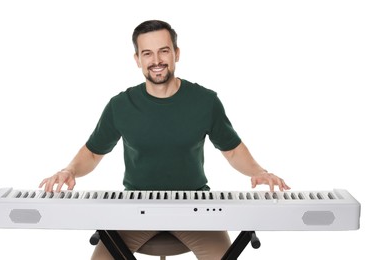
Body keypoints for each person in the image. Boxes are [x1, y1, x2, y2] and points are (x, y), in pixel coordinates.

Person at [39, 20, 290, 260]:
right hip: (135, 207)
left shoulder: (205, 101)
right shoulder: (120, 106)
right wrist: (69, 170)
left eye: (163, 51)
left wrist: (260, 172)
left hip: (195, 206)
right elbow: (93, 153)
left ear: (176, 54)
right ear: (137, 59)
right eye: (147, 53)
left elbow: (233, 150)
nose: (156, 60)